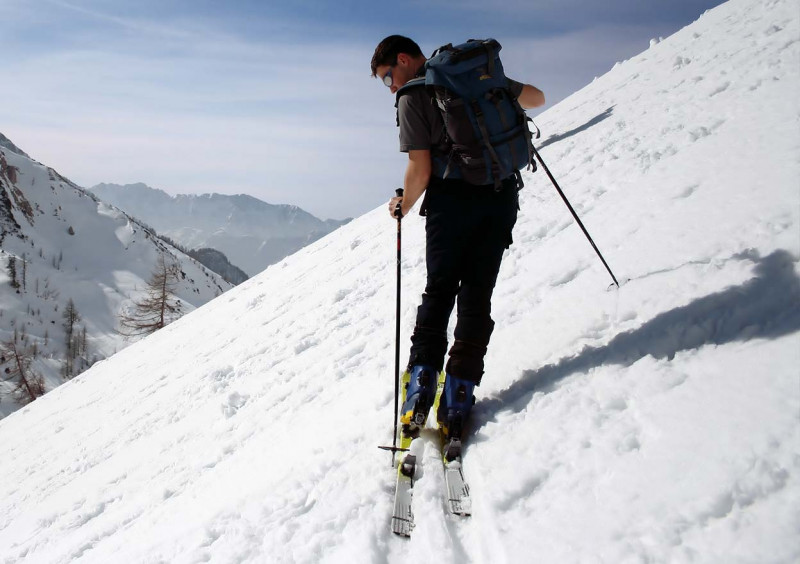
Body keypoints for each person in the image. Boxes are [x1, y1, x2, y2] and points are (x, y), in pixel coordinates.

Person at [371, 35, 545, 441]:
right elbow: (535, 98)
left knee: (440, 292)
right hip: (500, 198)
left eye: (387, 77)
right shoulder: (475, 76)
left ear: (402, 60)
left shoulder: (414, 95)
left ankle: (420, 389)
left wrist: (403, 204)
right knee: (476, 295)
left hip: (452, 206)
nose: (391, 86)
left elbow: (421, 167)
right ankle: (458, 396)